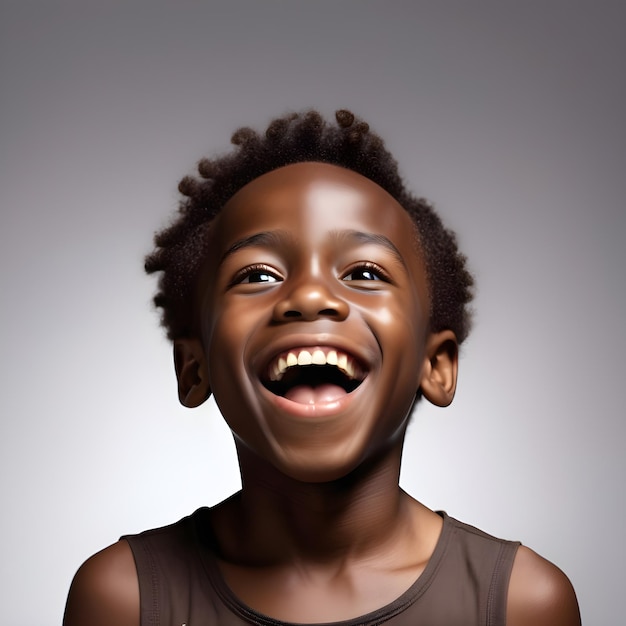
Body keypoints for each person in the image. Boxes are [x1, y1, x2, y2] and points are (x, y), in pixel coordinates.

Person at [63, 110, 581, 625]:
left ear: (436, 365)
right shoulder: (122, 601)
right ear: (193, 369)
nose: (310, 296)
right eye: (258, 275)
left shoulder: (522, 604)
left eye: (363, 271)